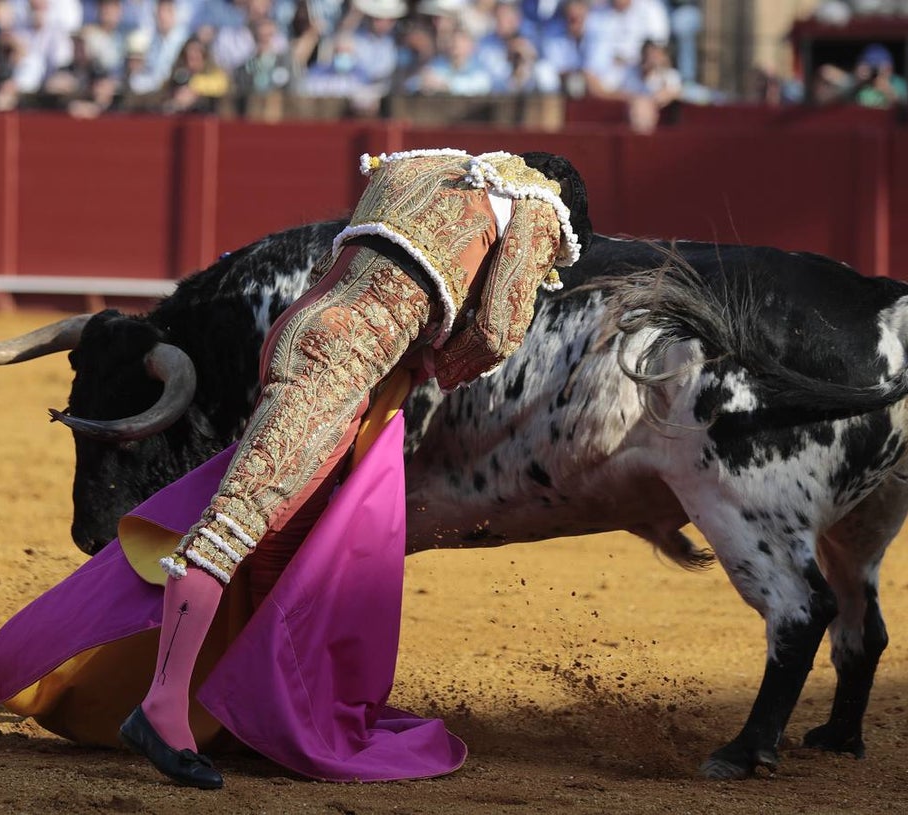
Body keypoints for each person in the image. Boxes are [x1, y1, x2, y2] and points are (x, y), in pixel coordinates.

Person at [117, 148, 592, 789]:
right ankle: (162, 706)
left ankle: (269, 707)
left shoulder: (417, 167)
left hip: (299, 331)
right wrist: (435, 363)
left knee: (287, 537)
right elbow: (497, 331)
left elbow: (335, 262)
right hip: (343, 362)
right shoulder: (537, 203)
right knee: (233, 528)